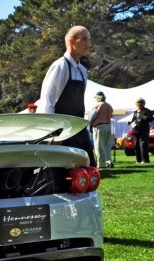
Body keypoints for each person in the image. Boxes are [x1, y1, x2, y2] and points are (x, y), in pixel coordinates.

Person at [38, 25, 97, 167]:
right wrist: (53, 134)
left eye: (89, 40)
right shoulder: (60, 66)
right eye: (84, 39)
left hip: (78, 129)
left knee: (89, 169)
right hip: (61, 131)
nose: (87, 44)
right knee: (62, 174)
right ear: (71, 41)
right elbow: (47, 101)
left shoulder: (83, 70)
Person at [88, 91, 114, 168]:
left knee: (99, 146)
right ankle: (108, 162)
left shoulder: (97, 106)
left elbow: (91, 117)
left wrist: (89, 124)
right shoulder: (109, 105)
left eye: (96, 98)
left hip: (99, 126)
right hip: (108, 125)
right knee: (107, 145)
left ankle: (101, 164)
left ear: (98, 98)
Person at [129, 98, 154, 164]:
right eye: (138, 102)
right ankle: (138, 160)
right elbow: (133, 120)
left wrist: (142, 116)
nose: (139, 104)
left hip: (144, 130)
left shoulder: (147, 111)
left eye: (141, 102)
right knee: (136, 145)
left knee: (143, 145)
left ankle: (145, 160)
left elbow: (150, 119)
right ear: (136, 104)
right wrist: (130, 123)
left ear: (144, 103)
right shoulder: (135, 112)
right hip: (136, 130)